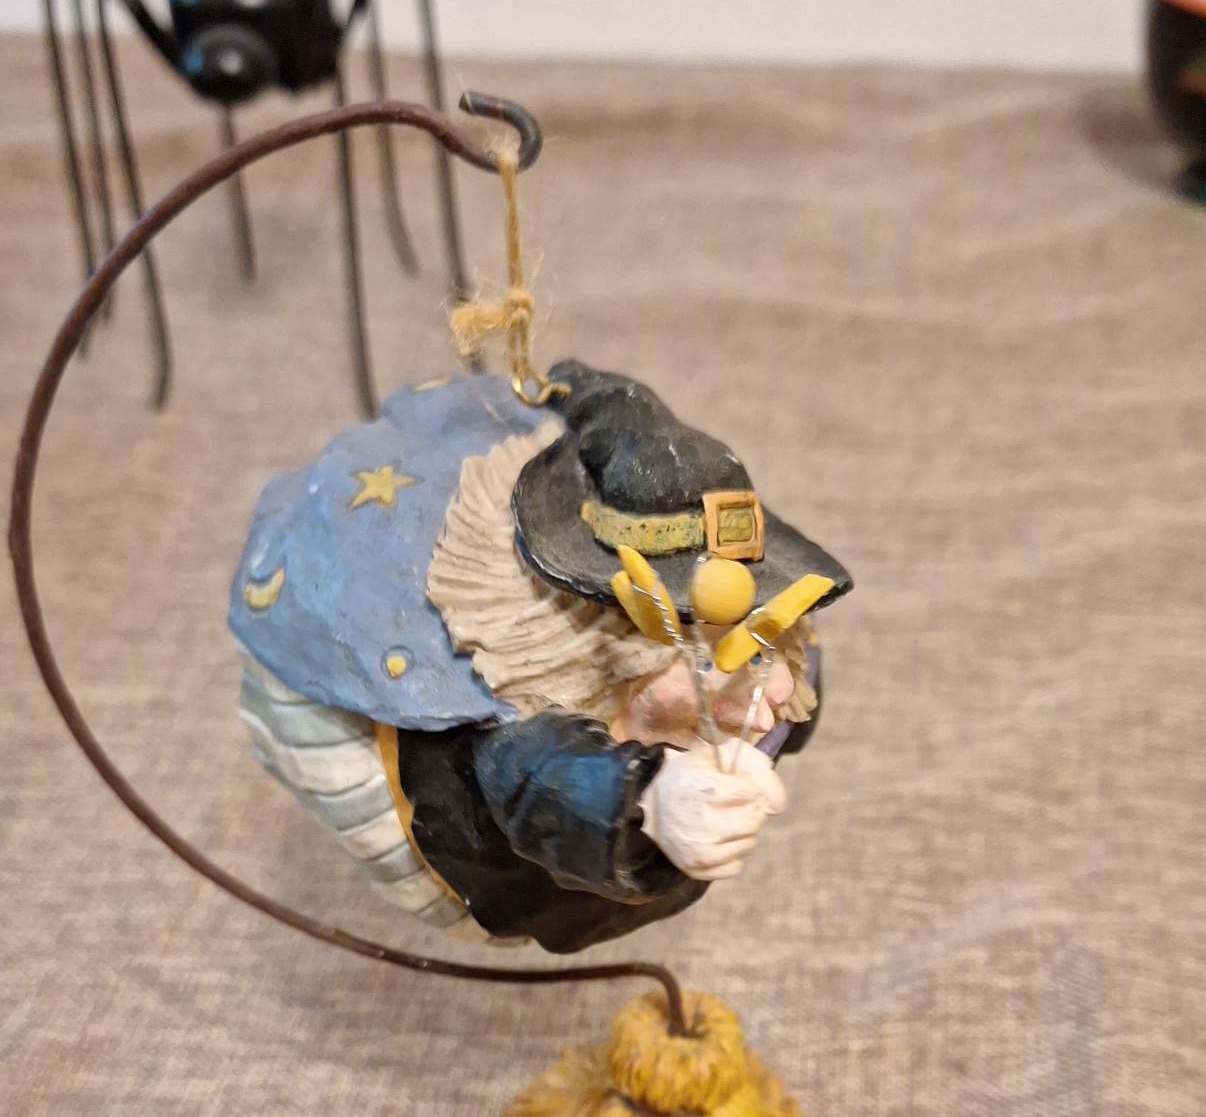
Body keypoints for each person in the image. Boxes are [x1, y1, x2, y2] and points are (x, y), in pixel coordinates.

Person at [230, 362, 851, 953]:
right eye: (712, 661)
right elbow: (534, 774)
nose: (765, 708)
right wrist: (650, 802)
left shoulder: (769, 666)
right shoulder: (533, 687)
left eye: (759, 644)